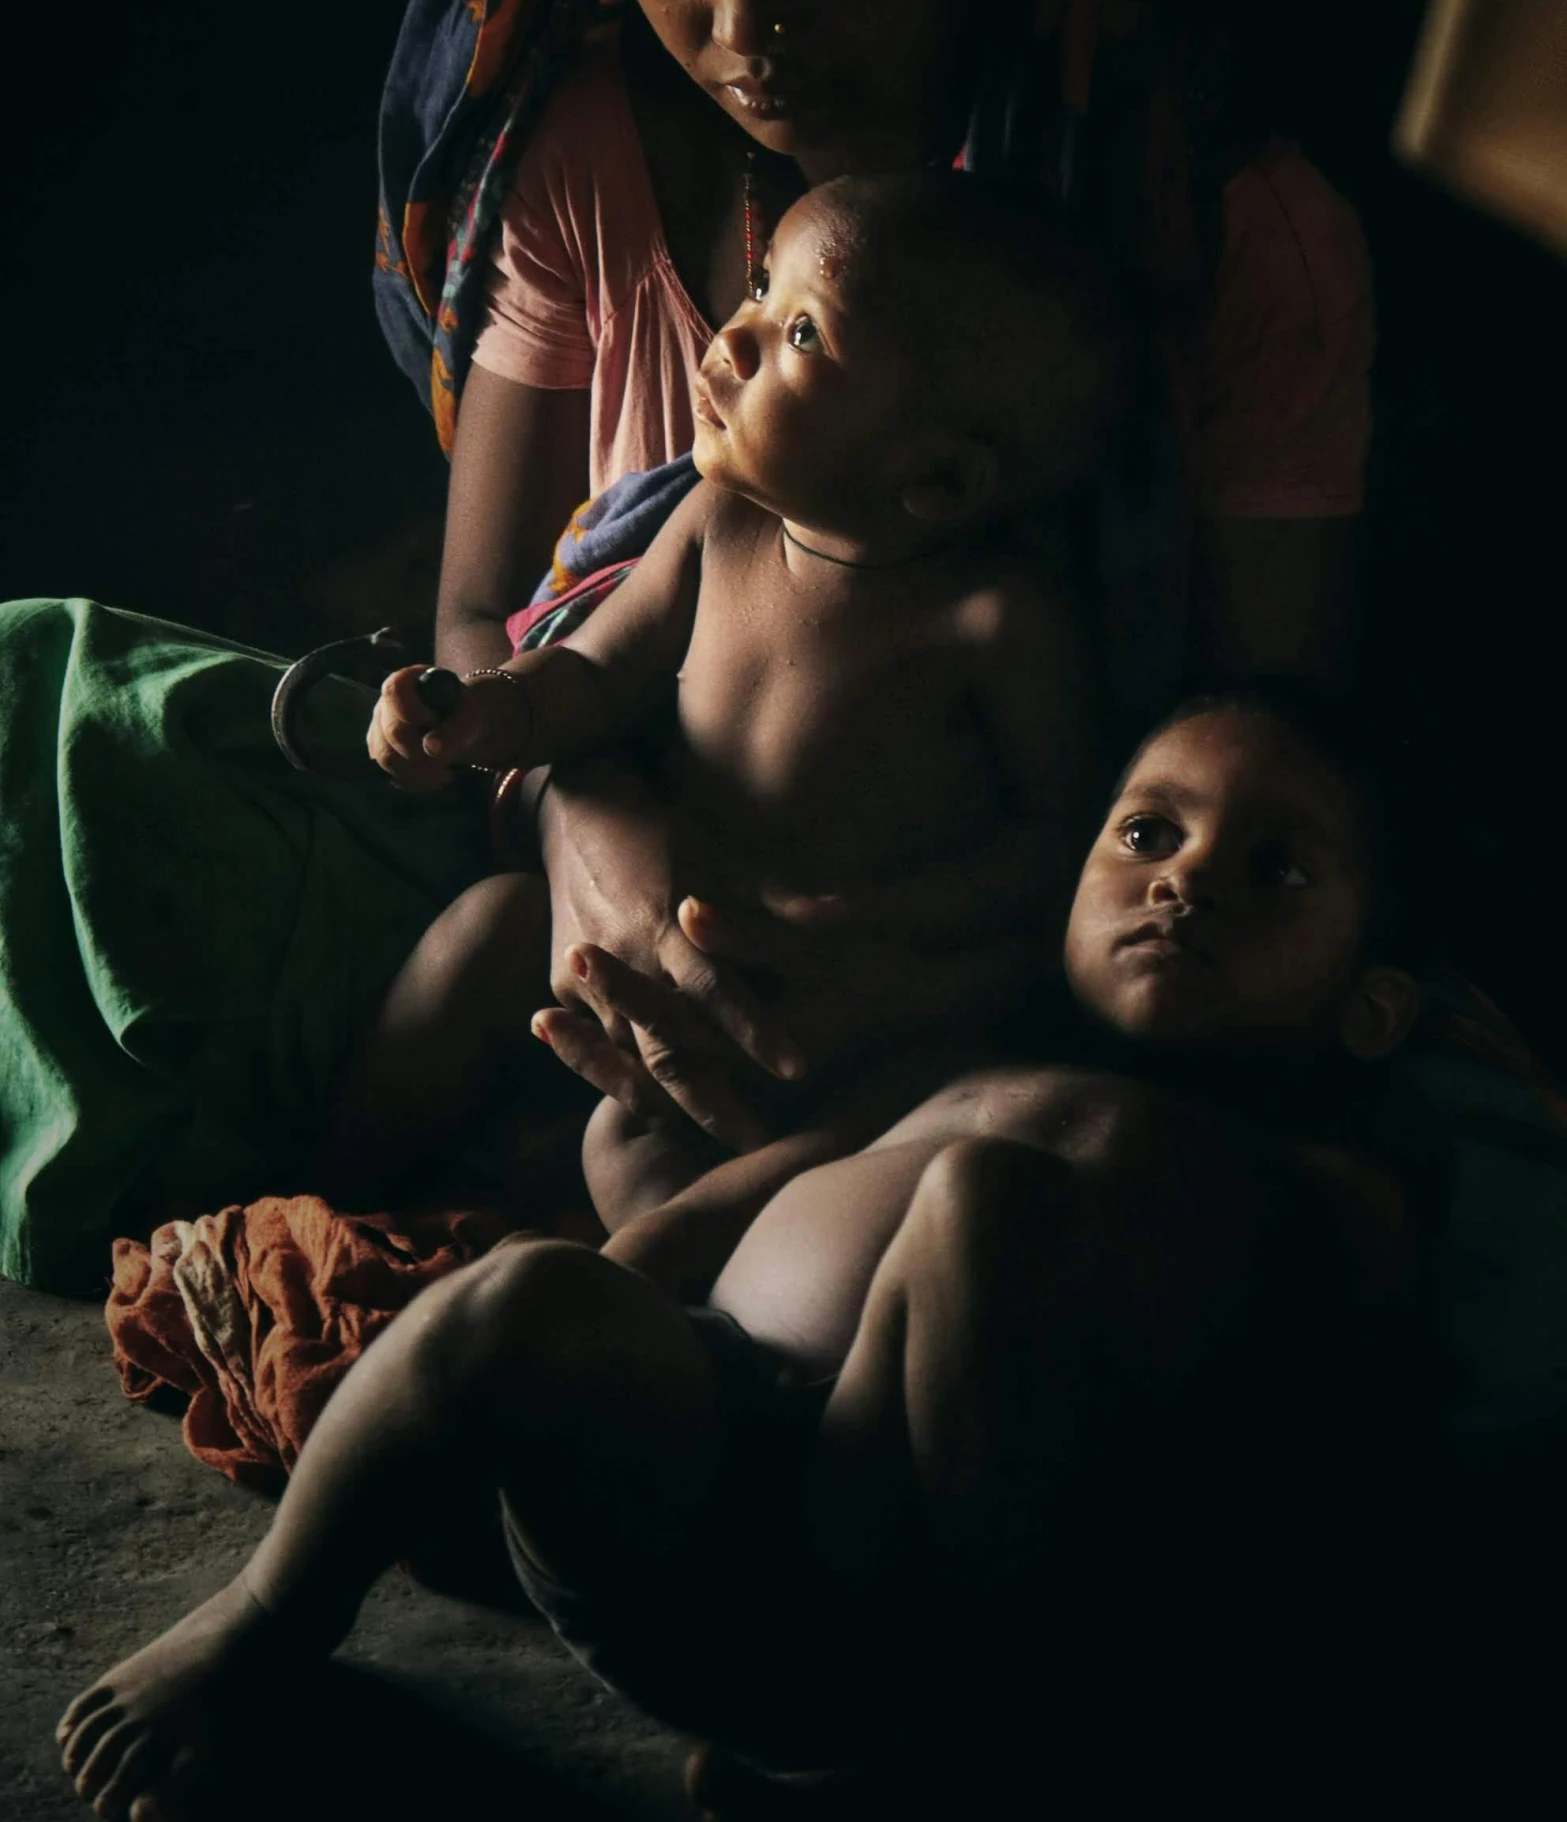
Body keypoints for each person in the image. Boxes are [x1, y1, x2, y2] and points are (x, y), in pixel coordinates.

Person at [0, 0, 1374, 1290]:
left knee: (1025, 1196)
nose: (747, 28)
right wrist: (595, 851)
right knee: (47, 691)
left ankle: (639, 1302)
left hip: (982, 964)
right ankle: (346, 1203)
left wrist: (876, 969)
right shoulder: (585, 151)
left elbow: (1238, 765)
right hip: (584, 837)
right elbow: (498, 614)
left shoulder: (1212, 228)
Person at [55, 687, 1435, 1819]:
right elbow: (714, 1214)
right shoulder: (954, 1070)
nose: (1186, 879)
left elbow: (1311, 1430)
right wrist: (546, 1354)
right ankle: (269, 1608)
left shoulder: (1314, 1182)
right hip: (699, 1504)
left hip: (959, 1601)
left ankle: (898, 1758)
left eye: (1272, 869)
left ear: (1372, 1007)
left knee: (982, 1204)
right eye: (1146, 832)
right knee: (539, 1287)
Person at [341, 171, 1118, 1194]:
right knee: (483, 930)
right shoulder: (718, 523)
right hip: (632, 932)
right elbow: (589, 669)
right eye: (759, 287)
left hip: (821, 1007)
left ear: (936, 479)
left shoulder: (993, 624)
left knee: (632, 1155)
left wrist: (879, 923)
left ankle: (664, 1302)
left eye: (803, 333)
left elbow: (1058, 843)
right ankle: (329, 1187)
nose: (733, 337)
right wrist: (481, 710)